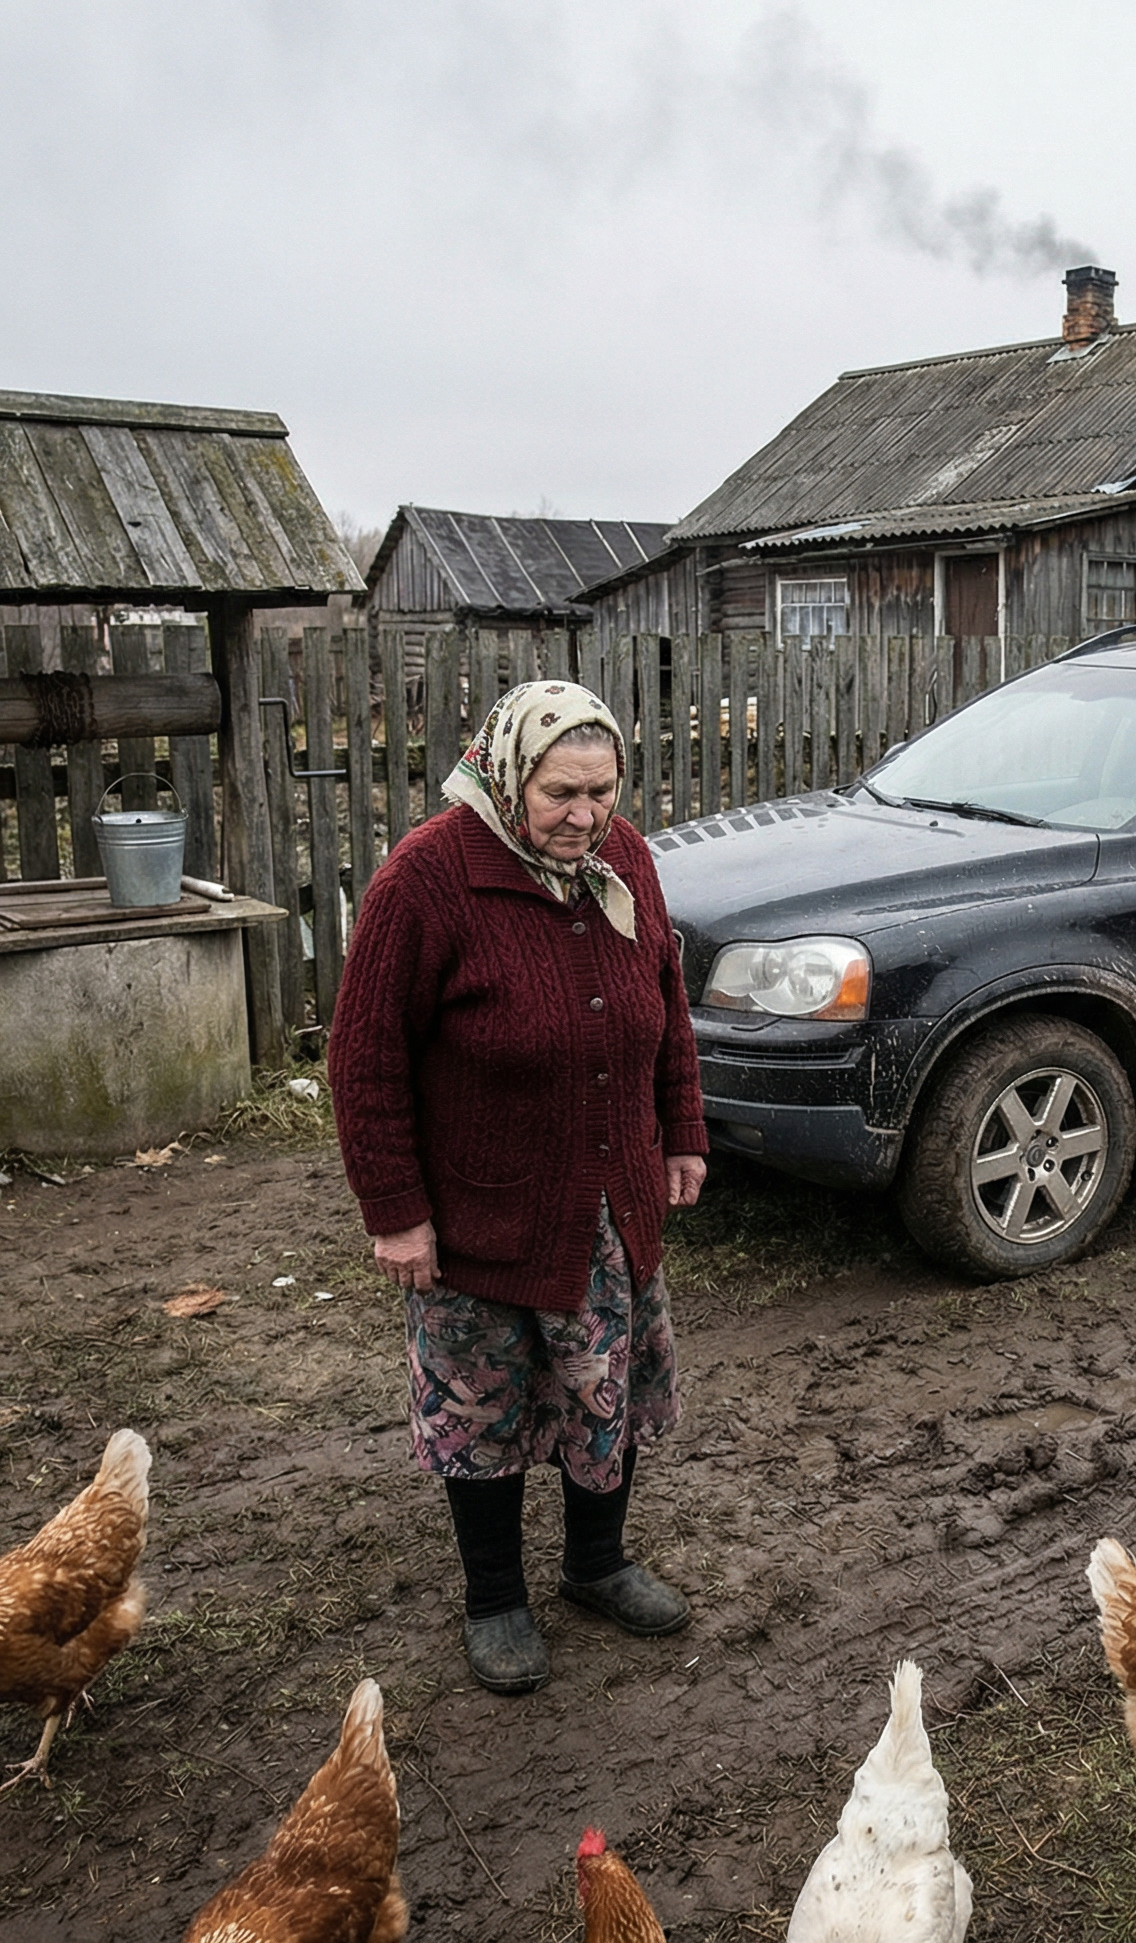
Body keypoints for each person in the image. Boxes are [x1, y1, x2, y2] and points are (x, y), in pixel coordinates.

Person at [329, 680, 709, 1695]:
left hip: (607, 1200)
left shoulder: (621, 859)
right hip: (477, 1214)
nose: (584, 814)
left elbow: (665, 1004)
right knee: (481, 1407)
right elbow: (364, 1062)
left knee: (606, 1390)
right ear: (507, 774)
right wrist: (396, 1213)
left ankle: (596, 1563)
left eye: (603, 789)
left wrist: (681, 1130)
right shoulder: (427, 879)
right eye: (560, 792)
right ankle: (495, 1596)